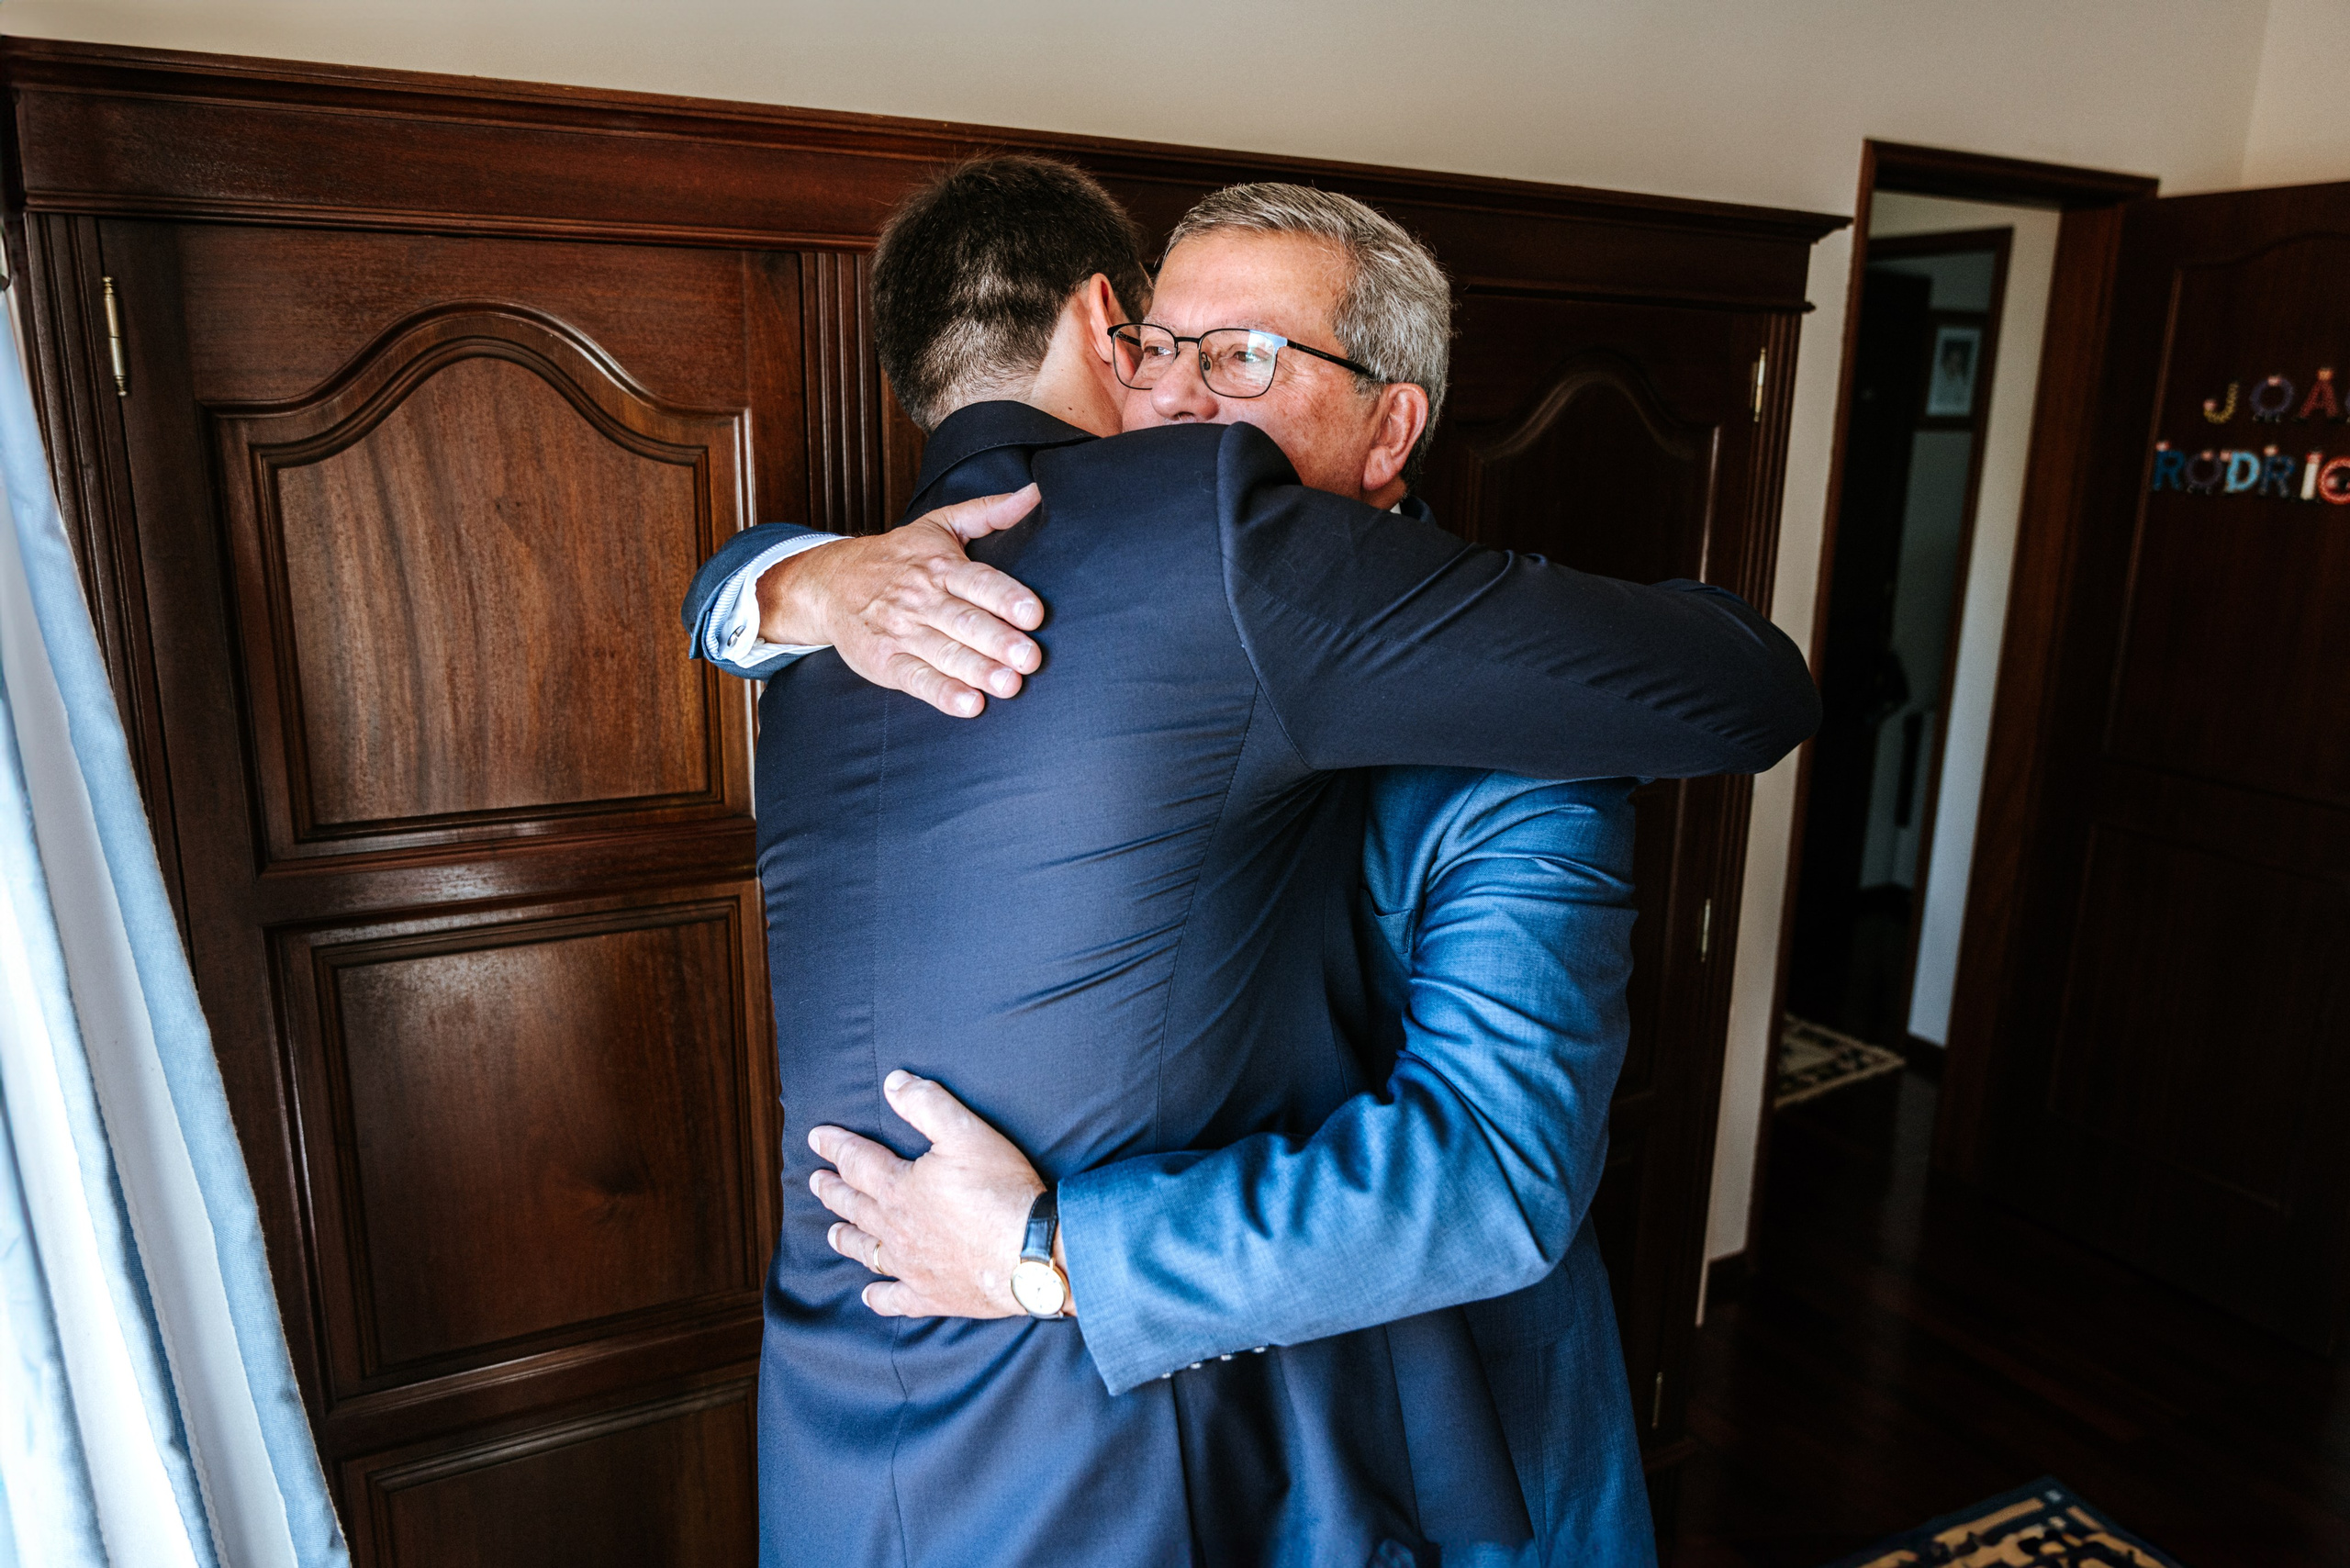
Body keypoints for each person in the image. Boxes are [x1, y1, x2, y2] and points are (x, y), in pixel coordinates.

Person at [683, 158, 1817, 1566]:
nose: (1172, 401)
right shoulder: (914, 612)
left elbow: (1492, 1180)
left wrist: (1049, 1256)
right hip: (1169, 1463)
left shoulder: (1531, 746)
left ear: (1390, 425)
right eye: (1160, 350)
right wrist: (779, 582)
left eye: (1244, 357)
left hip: (1441, 1442)